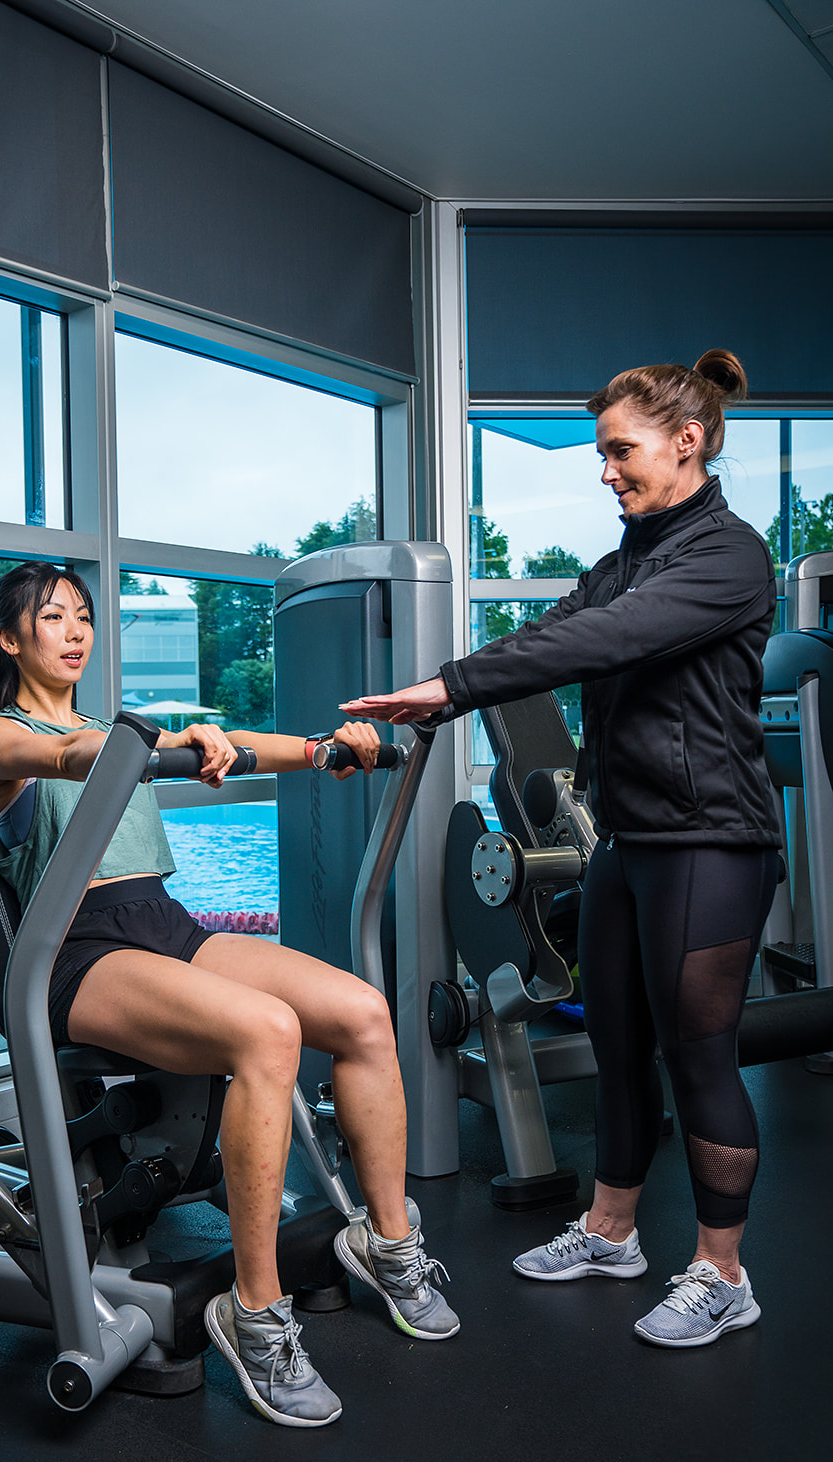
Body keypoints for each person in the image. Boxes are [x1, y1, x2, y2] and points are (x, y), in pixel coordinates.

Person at [342, 350, 780, 1348]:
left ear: (686, 440)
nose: (604, 469)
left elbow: (604, 642)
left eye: (617, 450)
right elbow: (549, 634)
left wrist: (450, 687)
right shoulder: (619, 563)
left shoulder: (726, 556)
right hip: (631, 841)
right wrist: (440, 684)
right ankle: (609, 1229)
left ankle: (721, 1270)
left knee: (697, 1059)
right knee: (618, 1046)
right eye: (598, 453)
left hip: (711, 841)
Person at [0, 561, 459, 1428]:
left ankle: (388, 1243)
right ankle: (256, 1312)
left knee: (359, 1014)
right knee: (267, 1033)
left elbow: (227, 746)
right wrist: (160, 741)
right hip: (72, 955)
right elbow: (61, 754)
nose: (76, 631)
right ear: (9, 639)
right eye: (53, 618)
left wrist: (322, 751)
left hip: (165, 924)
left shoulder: (112, 729)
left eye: (84, 616)